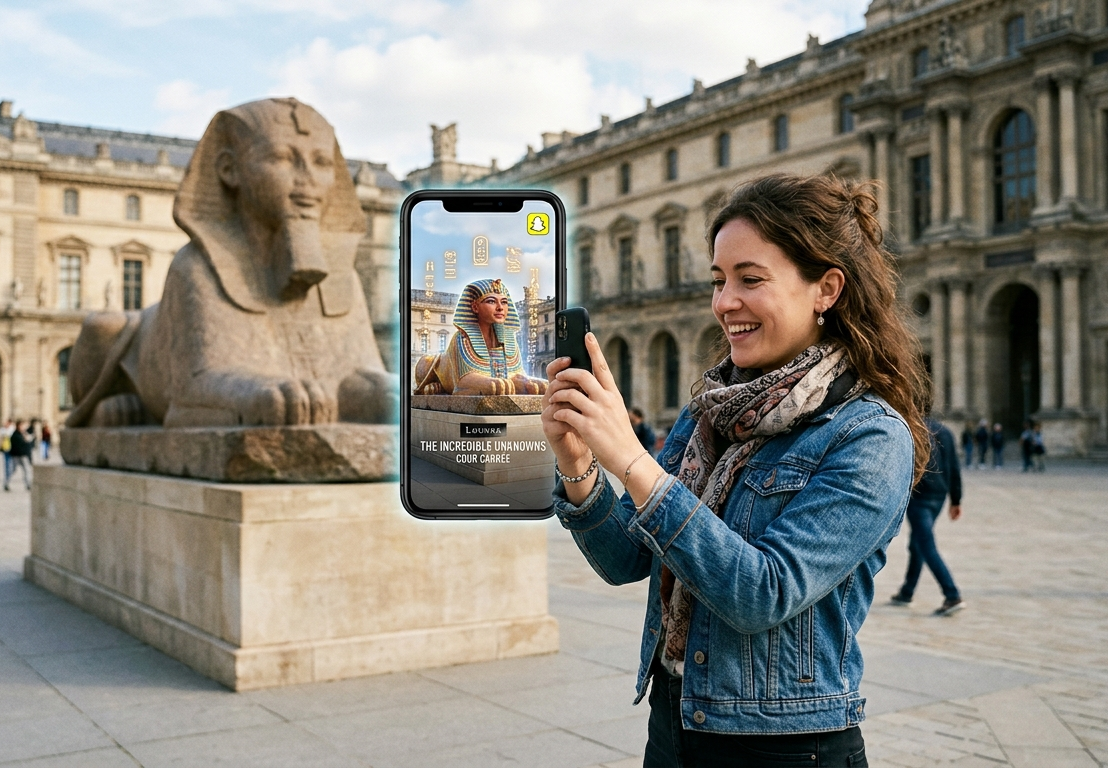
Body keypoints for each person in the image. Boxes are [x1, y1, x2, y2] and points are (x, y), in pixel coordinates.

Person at [542, 174, 929, 765]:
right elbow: (626, 560)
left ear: (826, 288)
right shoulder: (710, 413)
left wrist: (632, 460)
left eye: (751, 279)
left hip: (786, 749)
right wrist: (580, 468)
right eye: (719, 281)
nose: (725, 303)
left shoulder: (869, 436)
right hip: (674, 725)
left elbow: (762, 593)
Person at [414, 278, 546, 396]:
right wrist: (495, 384)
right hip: (442, 370)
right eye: (491, 301)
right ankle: (433, 383)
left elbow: (518, 376)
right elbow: (462, 384)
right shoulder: (462, 339)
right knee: (427, 361)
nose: (500, 308)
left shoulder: (509, 341)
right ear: (475, 307)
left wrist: (528, 383)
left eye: (504, 302)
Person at [890, 417, 965, 615]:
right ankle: (907, 592)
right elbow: (954, 466)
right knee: (917, 543)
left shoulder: (911, 427)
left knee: (926, 545)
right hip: (939, 496)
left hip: (919, 496)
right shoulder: (945, 431)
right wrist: (956, 499)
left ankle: (952, 595)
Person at [5, 421, 34, 491]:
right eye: (22, 426)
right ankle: (6, 483)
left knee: (27, 470)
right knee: (12, 470)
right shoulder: (15, 435)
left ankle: (28, 484)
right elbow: (19, 445)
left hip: (23, 455)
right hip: (17, 456)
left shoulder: (23, 434)